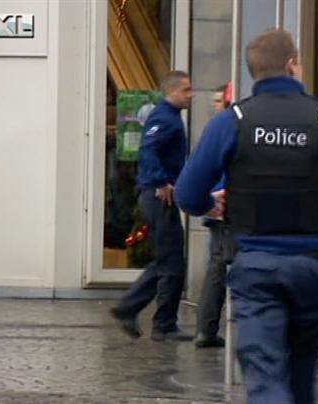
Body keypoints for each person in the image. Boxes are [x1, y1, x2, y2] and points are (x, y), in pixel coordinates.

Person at [174, 30, 318, 404]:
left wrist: (210, 205)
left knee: (266, 377)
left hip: (255, 268)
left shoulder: (232, 121)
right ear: (292, 65)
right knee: (301, 382)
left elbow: (187, 194)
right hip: (312, 270)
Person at [110, 71, 194, 341]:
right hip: (158, 197)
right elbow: (148, 149)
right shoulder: (165, 117)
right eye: (186, 90)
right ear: (171, 92)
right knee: (171, 261)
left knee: (168, 260)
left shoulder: (169, 116)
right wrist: (161, 182)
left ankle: (138, 312)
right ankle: (160, 323)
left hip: (158, 196)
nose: (191, 95)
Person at [193, 83, 238, 348]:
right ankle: (206, 329)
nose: (215, 105)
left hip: (218, 205)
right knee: (218, 268)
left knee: (217, 266)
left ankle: (206, 328)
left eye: (219, 100)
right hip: (224, 206)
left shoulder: (217, 128)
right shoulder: (228, 127)